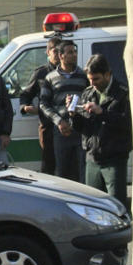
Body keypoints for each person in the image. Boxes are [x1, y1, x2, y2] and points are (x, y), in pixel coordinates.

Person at [69, 55, 132, 205]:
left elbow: (127, 124)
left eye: (96, 79)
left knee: (116, 205)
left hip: (114, 157)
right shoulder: (88, 93)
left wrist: (102, 113)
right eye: (90, 79)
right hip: (92, 157)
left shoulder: (123, 94)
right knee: (93, 204)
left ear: (108, 74)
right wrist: (73, 114)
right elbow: (80, 128)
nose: (93, 83)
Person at [40, 39, 89, 182]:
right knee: (62, 172)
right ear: (61, 56)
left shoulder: (83, 76)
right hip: (61, 131)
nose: (74, 55)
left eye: (75, 52)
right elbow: (44, 104)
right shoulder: (50, 78)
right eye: (70, 52)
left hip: (81, 130)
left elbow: (90, 99)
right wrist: (59, 121)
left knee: (82, 171)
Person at [18, 37, 62, 174]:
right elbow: (26, 94)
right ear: (48, 52)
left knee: (67, 165)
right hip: (47, 125)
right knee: (48, 163)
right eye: (55, 51)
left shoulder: (70, 72)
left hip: (66, 124)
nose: (58, 54)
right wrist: (25, 107)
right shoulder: (41, 73)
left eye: (61, 51)